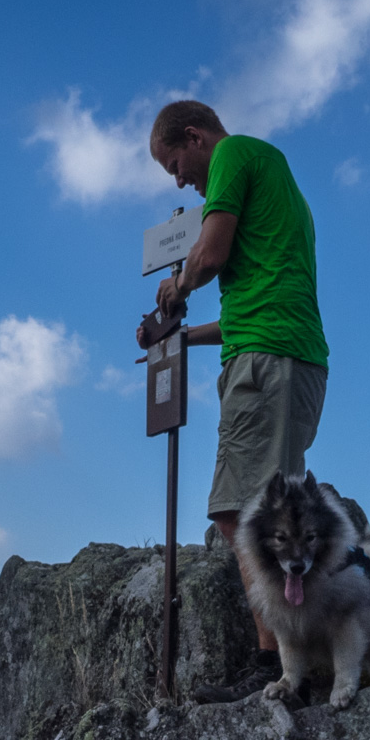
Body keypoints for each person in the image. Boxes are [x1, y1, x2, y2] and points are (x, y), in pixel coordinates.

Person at [136, 100, 330, 703]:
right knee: (268, 509)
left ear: (194, 138)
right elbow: (246, 307)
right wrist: (181, 336)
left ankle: (277, 663)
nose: (179, 181)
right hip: (287, 357)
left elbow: (210, 255)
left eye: (175, 163)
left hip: (264, 368)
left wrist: (176, 287)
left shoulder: (234, 157)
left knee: (240, 512)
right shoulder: (270, 172)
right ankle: (298, 658)